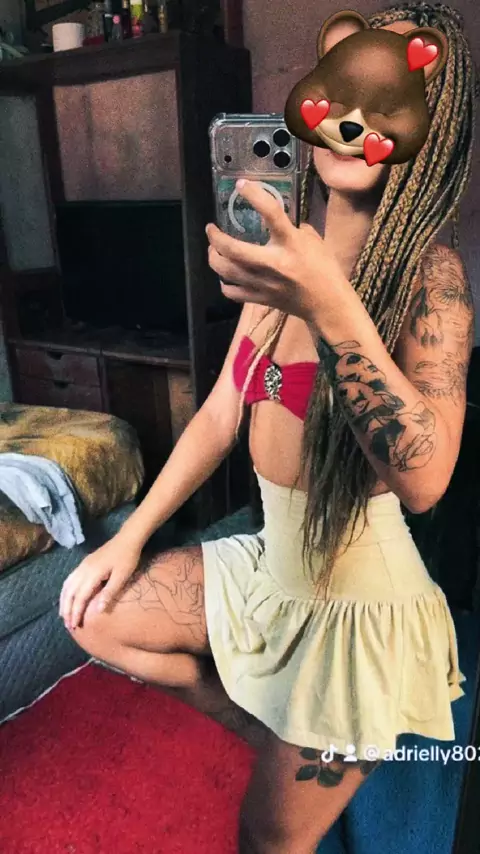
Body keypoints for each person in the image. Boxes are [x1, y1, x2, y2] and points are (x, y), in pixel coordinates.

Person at [58, 3, 476, 852]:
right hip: (268, 561)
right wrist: (128, 540)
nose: (350, 117)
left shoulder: (428, 278)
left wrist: (329, 305)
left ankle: (314, 759)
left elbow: (427, 481)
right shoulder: (283, 250)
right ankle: (276, 735)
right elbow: (221, 410)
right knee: (94, 615)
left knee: (265, 837)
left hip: (356, 603)